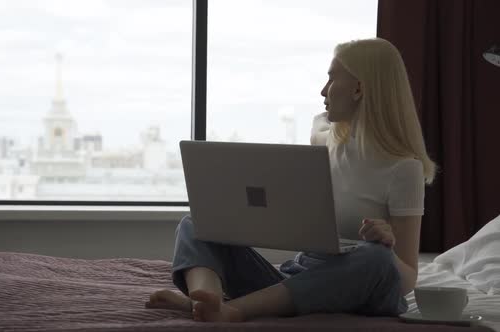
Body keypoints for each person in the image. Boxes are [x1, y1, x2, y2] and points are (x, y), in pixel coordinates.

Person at [145, 37, 437, 323]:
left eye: (332, 79)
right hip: (298, 277)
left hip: (360, 287)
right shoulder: (324, 140)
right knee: (198, 222)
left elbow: (408, 278)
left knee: (376, 259)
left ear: (359, 88)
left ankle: (234, 310)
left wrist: (385, 244)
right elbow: (316, 134)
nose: (323, 90)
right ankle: (206, 300)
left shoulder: (404, 170)